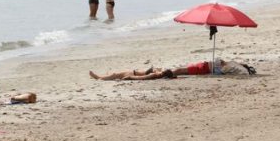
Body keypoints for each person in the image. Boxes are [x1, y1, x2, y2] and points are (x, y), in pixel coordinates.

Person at [90, 59, 255, 80]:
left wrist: (132, 78)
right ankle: (102, 77)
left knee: (177, 71)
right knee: (129, 71)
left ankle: (101, 78)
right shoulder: (234, 66)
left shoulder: (234, 68)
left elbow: (225, 68)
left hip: (198, 68)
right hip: (198, 67)